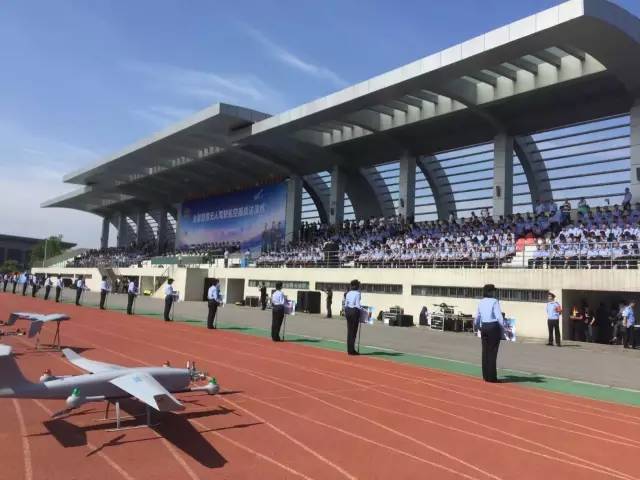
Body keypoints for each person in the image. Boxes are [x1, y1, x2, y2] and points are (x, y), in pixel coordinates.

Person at [474, 284, 504, 383]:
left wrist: (477, 326)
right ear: (490, 292)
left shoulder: (481, 301)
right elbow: (499, 317)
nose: (494, 292)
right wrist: (502, 329)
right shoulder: (494, 301)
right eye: (493, 291)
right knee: (492, 352)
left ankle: (486, 376)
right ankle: (492, 377)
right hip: (493, 327)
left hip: (484, 327)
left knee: (485, 351)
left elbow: (477, 316)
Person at [344, 279, 362, 355]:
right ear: (356, 286)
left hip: (347, 310)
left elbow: (345, 304)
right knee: (354, 331)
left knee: (349, 331)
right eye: (358, 285)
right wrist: (362, 310)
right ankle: (352, 350)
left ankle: (349, 349)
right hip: (354, 311)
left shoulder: (348, 293)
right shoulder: (358, 293)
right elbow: (357, 305)